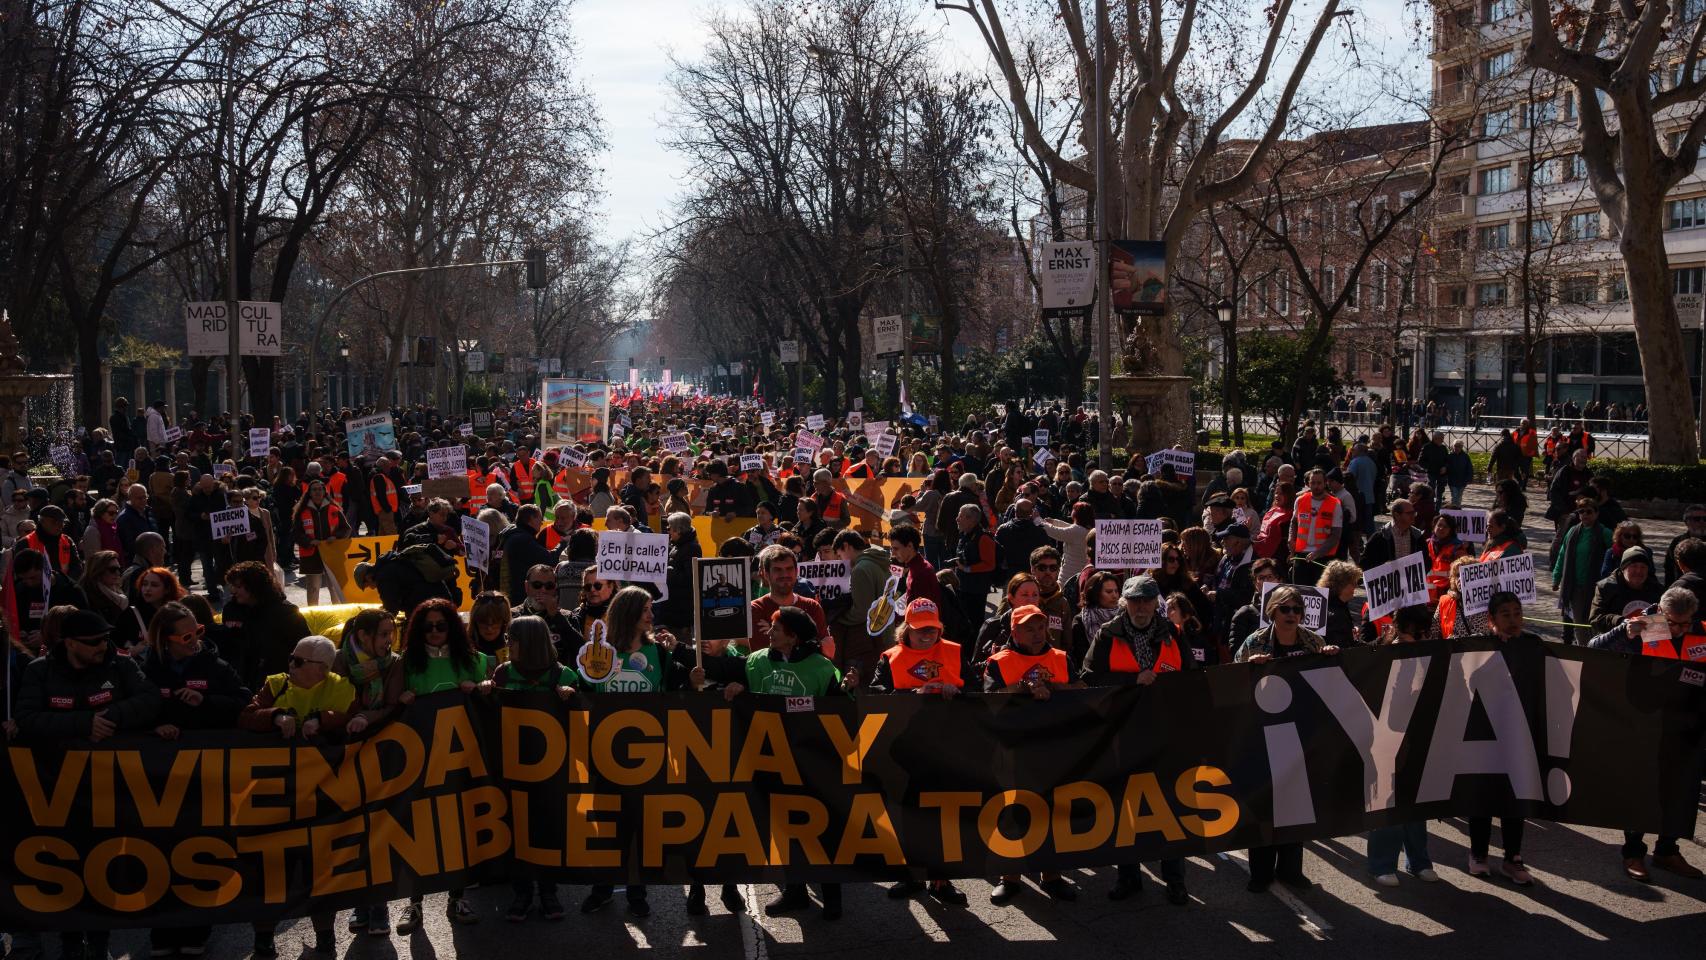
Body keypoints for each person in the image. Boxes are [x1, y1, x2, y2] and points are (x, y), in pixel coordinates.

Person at [13, 608, 161, 960]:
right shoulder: (39, 671)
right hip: (54, 789)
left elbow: (151, 699)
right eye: (92, 642)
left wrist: (109, 717)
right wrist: (81, 725)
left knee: (102, 866)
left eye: (103, 639)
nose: (101, 646)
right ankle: (69, 941)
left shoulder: (119, 665)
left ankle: (100, 942)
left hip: (109, 788)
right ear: (69, 643)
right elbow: (26, 718)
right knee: (63, 865)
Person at [700, 605, 856, 919]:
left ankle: (833, 897)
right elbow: (720, 670)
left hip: (811, 763)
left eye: (775, 629)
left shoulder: (821, 668)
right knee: (783, 830)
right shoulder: (757, 661)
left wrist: (848, 689)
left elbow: (842, 713)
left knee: (822, 830)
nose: (769, 633)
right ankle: (795, 892)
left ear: (793, 637)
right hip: (770, 761)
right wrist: (729, 683)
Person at [1075, 573, 1194, 904]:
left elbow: (1190, 679)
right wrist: (1131, 680)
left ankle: (1175, 880)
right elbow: (1090, 679)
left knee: (1169, 810)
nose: (1141, 607)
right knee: (1125, 811)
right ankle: (1128, 877)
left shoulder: (1171, 632)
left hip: (1163, 736)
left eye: (1147, 600)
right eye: (1135, 601)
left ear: (1155, 603)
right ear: (1125, 603)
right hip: (1122, 736)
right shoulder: (1107, 635)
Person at [580, 586, 695, 916]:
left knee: (642, 827)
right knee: (607, 826)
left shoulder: (659, 652)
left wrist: (692, 672)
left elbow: (676, 693)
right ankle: (602, 888)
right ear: (629, 613)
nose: (651, 615)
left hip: (647, 757)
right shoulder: (598, 652)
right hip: (604, 754)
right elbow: (583, 692)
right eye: (645, 609)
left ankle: (637, 892)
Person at [238, 635, 351, 957]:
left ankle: (326, 936)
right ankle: (263, 939)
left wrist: (325, 719)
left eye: (298, 662)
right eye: (291, 658)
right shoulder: (275, 684)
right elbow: (246, 715)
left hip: (322, 797)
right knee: (270, 870)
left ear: (321, 669)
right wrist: (274, 715)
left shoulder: (341, 688)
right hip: (275, 797)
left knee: (320, 871)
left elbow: (360, 721)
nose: (290, 665)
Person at [1587, 587, 1706, 880]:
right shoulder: (1645, 625)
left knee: (1678, 791)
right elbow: (1593, 648)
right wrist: (1623, 633)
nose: (1678, 629)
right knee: (1641, 790)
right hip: (1642, 725)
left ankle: (1667, 850)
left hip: (1685, 729)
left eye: (1684, 623)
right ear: (1662, 613)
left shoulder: (1701, 631)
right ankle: (1633, 853)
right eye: (1673, 622)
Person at [394, 599, 492, 929]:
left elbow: (492, 699)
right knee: (421, 829)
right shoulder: (407, 663)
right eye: (427, 627)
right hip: (420, 762)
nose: (435, 632)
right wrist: (401, 699)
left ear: (453, 626)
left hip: (461, 761)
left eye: (441, 625)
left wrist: (479, 689)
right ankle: (415, 903)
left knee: (459, 830)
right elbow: (389, 704)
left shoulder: (475, 660)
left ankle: (457, 898)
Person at [1235, 585, 1338, 893]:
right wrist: (1249, 668)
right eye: (1286, 609)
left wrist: (1331, 656)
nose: (1292, 614)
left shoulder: (1312, 641)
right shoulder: (1255, 642)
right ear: (1273, 612)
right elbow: (1232, 681)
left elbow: (1329, 684)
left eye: (1297, 610)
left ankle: (1291, 871)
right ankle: (1261, 872)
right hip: (1264, 737)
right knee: (1265, 805)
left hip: (1300, 736)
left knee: (1296, 806)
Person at [983, 603, 1081, 905]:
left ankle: (1051, 876)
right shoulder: (998, 661)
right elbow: (988, 700)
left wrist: (1055, 687)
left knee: (1053, 812)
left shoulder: (1061, 658)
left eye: (1040, 626)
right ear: (1015, 631)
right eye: (1029, 627)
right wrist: (1022, 688)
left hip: (1054, 749)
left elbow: (1083, 690)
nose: (1037, 633)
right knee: (1014, 813)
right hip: (1013, 750)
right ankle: (1010, 877)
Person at [493, 616, 578, 921]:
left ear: (527, 642)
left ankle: (549, 892)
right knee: (517, 832)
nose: (507, 645)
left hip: (552, 772)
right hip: (514, 771)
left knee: (547, 831)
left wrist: (573, 698)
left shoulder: (563, 674)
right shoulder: (503, 674)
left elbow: (587, 715)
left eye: (511, 639)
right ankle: (522, 894)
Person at [1466, 592, 1540, 885]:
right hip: (1483, 736)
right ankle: (1479, 853)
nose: (1513, 620)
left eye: (1517, 613)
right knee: (1483, 795)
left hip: (1519, 736)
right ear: (1492, 620)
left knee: (1515, 798)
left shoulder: (1533, 646)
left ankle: (1513, 857)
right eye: (1506, 615)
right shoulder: (1479, 648)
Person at [220, 560, 312, 690]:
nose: (233, 591)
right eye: (232, 586)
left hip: (277, 679)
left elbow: (304, 647)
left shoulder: (286, 612)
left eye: (238, 586)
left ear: (254, 586)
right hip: (240, 678)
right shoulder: (231, 610)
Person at [833, 529, 893, 677]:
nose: (841, 561)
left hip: (871, 641)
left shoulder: (860, 569)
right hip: (886, 633)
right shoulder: (878, 563)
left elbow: (862, 613)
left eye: (840, 555)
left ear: (846, 546)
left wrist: (838, 617)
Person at [1552, 497, 1612, 644]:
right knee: (1579, 623)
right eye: (1581, 511)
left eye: (1589, 511)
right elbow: (1562, 555)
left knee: (1594, 622)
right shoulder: (1572, 532)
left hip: (1597, 586)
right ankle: (1584, 650)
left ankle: (1596, 648)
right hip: (1576, 586)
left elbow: (1614, 555)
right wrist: (1556, 577)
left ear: (1596, 513)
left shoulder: (1605, 533)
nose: (1584, 514)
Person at [294, 478, 351, 607]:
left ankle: (338, 613)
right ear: (309, 493)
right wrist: (309, 541)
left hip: (332, 553)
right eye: (314, 489)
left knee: (335, 587)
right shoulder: (302, 512)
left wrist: (335, 537)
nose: (317, 492)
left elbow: (346, 529)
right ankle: (313, 615)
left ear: (325, 492)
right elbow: (296, 533)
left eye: (320, 489)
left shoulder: (334, 509)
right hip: (311, 554)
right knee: (313, 588)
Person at [1288, 469, 1342, 586]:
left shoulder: (1335, 504)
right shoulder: (1301, 500)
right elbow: (1294, 522)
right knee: (1299, 590)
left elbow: (1335, 535)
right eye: (1313, 483)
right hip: (1301, 554)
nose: (1316, 486)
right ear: (1308, 483)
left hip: (1323, 556)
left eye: (1319, 483)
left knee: (1319, 594)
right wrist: (1291, 539)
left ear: (1325, 483)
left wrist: (1318, 552)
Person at [1588, 547, 1662, 632]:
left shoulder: (1657, 589)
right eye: (1634, 566)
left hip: (1647, 642)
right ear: (1623, 568)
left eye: (1643, 567)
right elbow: (1595, 619)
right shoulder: (1606, 587)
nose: (1638, 571)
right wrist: (1621, 621)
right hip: (1614, 640)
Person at [1316, 560, 1364, 648]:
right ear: (1341, 585)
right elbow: (1346, 650)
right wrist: (1382, 640)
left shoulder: (1331, 604)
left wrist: (1350, 633)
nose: (1356, 586)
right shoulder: (1336, 616)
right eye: (1353, 583)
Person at [1663, 505, 1706, 587]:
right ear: (1687, 522)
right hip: (1682, 588)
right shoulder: (1677, 542)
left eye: (1705, 519)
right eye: (1697, 519)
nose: (1702, 522)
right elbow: (1669, 569)